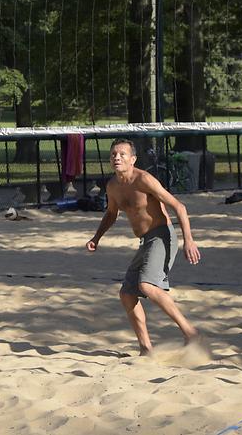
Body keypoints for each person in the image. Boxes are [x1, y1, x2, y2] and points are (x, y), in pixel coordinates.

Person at [86, 139, 202, 356]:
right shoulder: (112, 186)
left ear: (133, 159)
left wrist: (189, 240)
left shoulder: (144, 179)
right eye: (113, 154)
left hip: (162, 236)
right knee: (127, 294)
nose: (117, 158)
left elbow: (179, 206)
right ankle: (145, 349)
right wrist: (97, 237)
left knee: (147, 285)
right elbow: (111, 213)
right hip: (145, 241)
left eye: (122, 154)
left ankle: (190, 332)